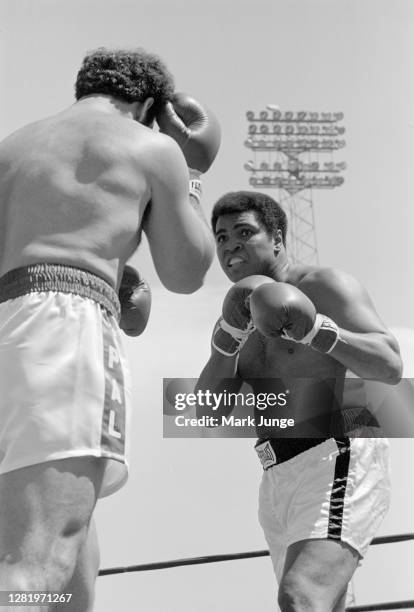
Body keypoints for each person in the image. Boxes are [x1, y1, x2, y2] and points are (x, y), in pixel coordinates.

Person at [0, 47, 220, 611]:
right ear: (149, 105)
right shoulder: (150, 146)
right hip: (62, 328)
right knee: (39, 561)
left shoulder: (13, 146)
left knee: (69, 570)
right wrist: (190, 169)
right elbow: (187, 272)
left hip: (10, 327)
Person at [196, 191, 402, 612]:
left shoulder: (322, 285)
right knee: (318, 603)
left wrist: (317, 332)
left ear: (276, 238)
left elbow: (390, 365)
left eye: (244, 232)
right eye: (221, 238)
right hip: (276, 477)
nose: (230, 244)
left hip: (338, 451)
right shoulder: (235, 316)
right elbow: (206, 411)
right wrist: (226, 342)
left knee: (301, 595)